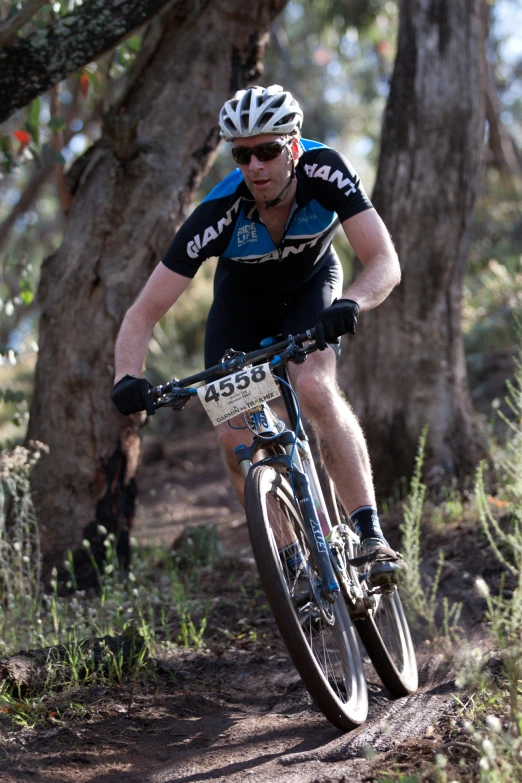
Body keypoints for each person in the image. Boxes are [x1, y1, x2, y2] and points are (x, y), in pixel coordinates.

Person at [111, 84, 404, 588]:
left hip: (312, 290)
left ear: (293, 145)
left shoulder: (326, 171)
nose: (256, 167)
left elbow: (384, 261)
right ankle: (292, 563)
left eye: (268, 151)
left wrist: (353, 302)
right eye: (243, 155)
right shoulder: (219, 212)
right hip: (241, 310)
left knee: (313, 386)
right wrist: (126, 378)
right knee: (232, 435)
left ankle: (369, 533)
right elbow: (141, 315)